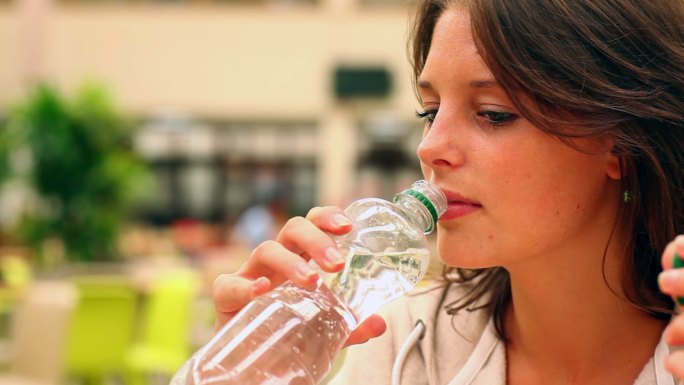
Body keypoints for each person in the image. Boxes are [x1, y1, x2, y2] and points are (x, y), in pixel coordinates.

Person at [211, 0, 684, 384]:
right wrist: (245, 372)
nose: (430, 146)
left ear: (621, 145)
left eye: (493, 113)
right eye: (430, 111)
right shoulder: (401, 347)